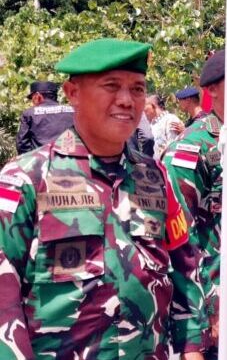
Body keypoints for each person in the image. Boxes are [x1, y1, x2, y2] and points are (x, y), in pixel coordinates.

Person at [0, 38, 206, 358]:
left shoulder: (156, 177)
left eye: (137, 89)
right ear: (73, 94)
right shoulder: (27, 179)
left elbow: (185, 268)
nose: (127, 100)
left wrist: (192, 348)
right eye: (111, 86)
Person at [162, 49, 227, 357]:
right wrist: (204, 309)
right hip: (217, 305)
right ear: (212, 90)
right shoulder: (192, 148)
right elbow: (182, 238)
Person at [15, 81, 74, 154]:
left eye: (32, 97)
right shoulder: (72, 110)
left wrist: (29, 160)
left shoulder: (29, 114)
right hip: (69, 160)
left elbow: (22, 144)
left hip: (41, 161)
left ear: (37, 95)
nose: (32, 101)